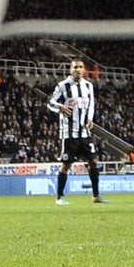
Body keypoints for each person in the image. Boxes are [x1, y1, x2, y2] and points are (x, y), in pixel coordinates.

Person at [49, 60, 105, 204]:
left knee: (93, 161)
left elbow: (91, 104)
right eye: (75, 67)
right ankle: (60, 197)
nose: (78, 70)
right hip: (69, 133)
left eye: (81, 67)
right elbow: (50, 103)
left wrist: (90, 118)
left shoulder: (88, 85)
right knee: (66, 165)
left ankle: (96, 196)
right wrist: (60, 107)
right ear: (70, 70)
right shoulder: (63, 86)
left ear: (84, 70)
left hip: (85, 132)